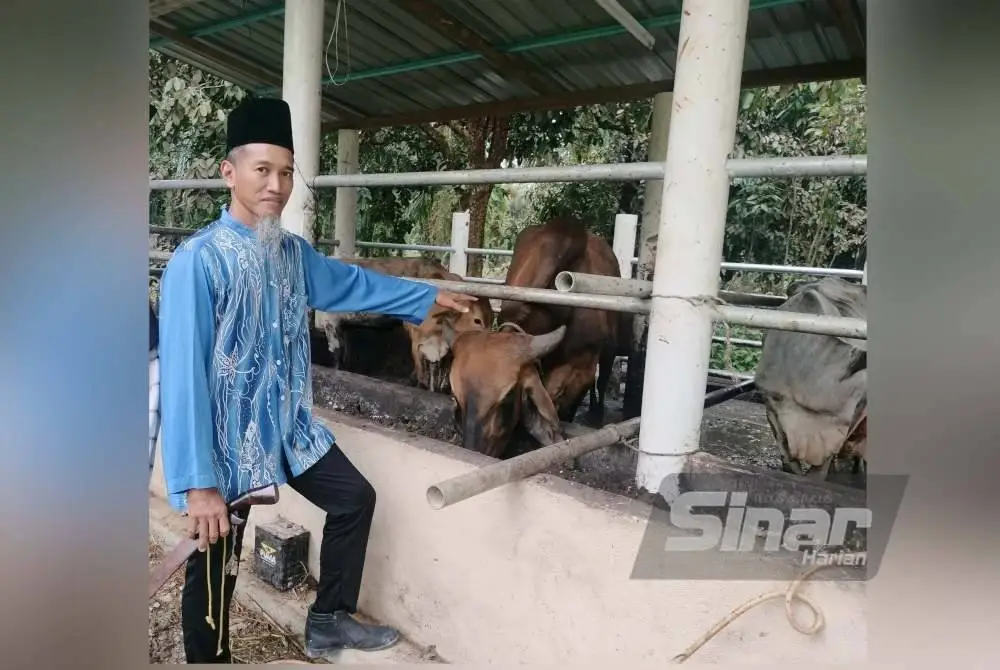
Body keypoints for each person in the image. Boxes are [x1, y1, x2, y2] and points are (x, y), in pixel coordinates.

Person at [157, 96, 476, 663]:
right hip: (227, 449)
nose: (276, 184)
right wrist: (198, 481)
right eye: (262, 170)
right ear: (229, 172)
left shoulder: (289, 253)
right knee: (215, 573)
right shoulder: (197, 262)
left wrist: (425, 296)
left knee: (354, 498)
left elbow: (351, 285)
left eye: (285, 171)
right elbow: (183, 380)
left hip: (288, 430)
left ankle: (328, 619)